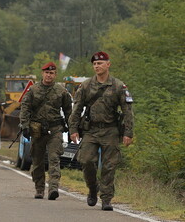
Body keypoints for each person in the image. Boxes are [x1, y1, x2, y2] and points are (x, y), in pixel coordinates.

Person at [69, 51, 134, 211]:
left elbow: (128, 111)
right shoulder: (85, 86)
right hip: (90, 131)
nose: (97, 66)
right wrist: (73, 129)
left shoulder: (119, 86)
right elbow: (76, 109)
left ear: (108, 64)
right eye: (95, 64)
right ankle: (92, 188)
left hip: (111, 130)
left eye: (100, 63)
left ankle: (106, 199)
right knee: (86, 161)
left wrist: (128, 132)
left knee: (109, 166)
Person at [19, 62, 72, 200]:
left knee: (54, 158)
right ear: (42, 74)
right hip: (38, 130)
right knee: (37, 160)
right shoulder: (33, 90)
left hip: (55, 128)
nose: (49, 75)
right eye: (47, 73)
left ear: (55, 75)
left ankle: (53, 188)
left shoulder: (61, 91)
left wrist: (72, 129)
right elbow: (25, 108)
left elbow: (68, 111)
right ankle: (39, 188)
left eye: (52, 73)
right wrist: (24, 126)